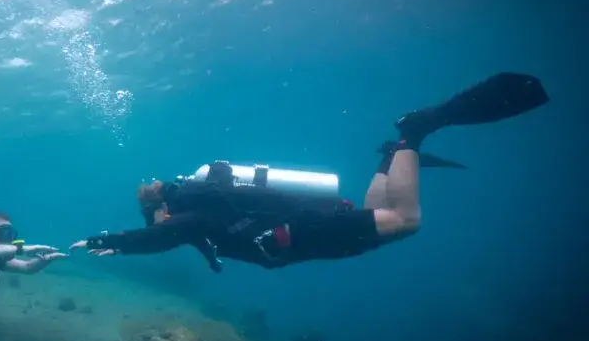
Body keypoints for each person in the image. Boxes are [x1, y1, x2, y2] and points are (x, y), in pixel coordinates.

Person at [70, 72, 549, 269]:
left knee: (404, 222)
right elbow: (199, 239)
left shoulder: (187, 213)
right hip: (302, 227)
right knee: (371, 215)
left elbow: (174, 234)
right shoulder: (197, 205)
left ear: (158, 210)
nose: (155, 223)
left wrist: (112, 240)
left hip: (301, 230)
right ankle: (393, 154)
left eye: (149, 215)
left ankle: (414, 135)